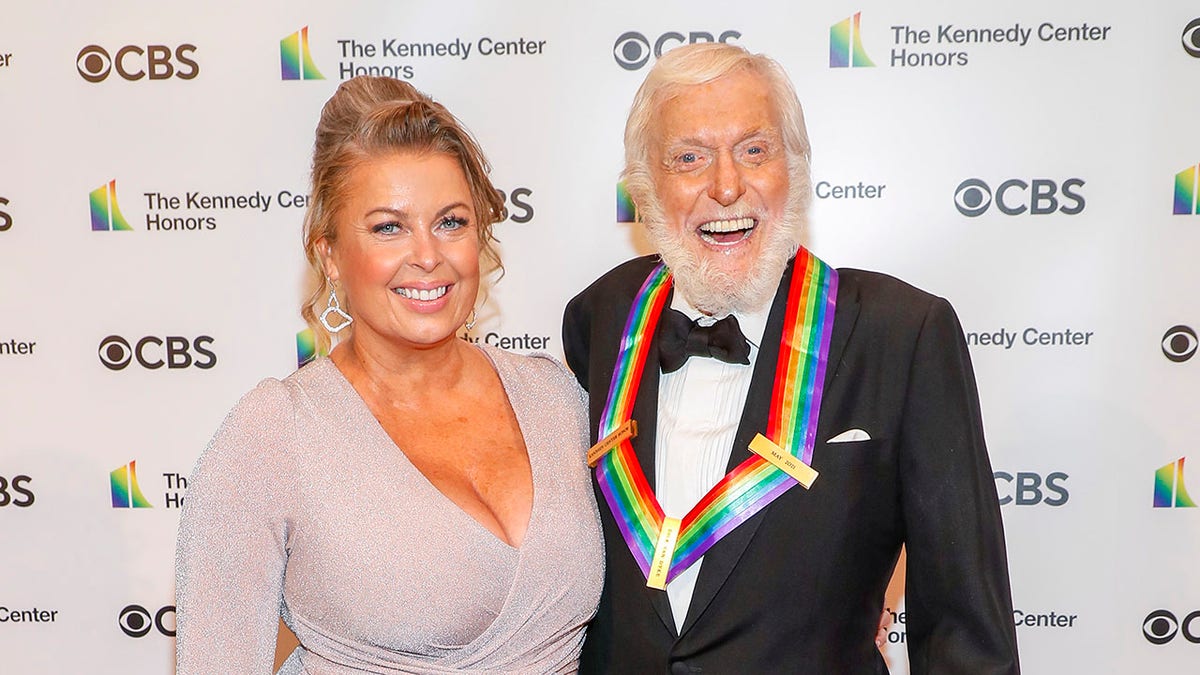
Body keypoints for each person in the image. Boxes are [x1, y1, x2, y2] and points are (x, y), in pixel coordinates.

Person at [563, 43, 1020, 673]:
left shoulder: (903, 334)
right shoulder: (604, 315)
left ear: (796, 169)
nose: (726, 186)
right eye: (689, 158)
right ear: (643, 187)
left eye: (755, 150)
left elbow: (965, 631)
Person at [176, 76, 603, 674]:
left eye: (451, 221)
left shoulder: (559, 398)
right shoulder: (274, 433)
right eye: (388, 227)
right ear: (328, 253)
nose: (428, 255)